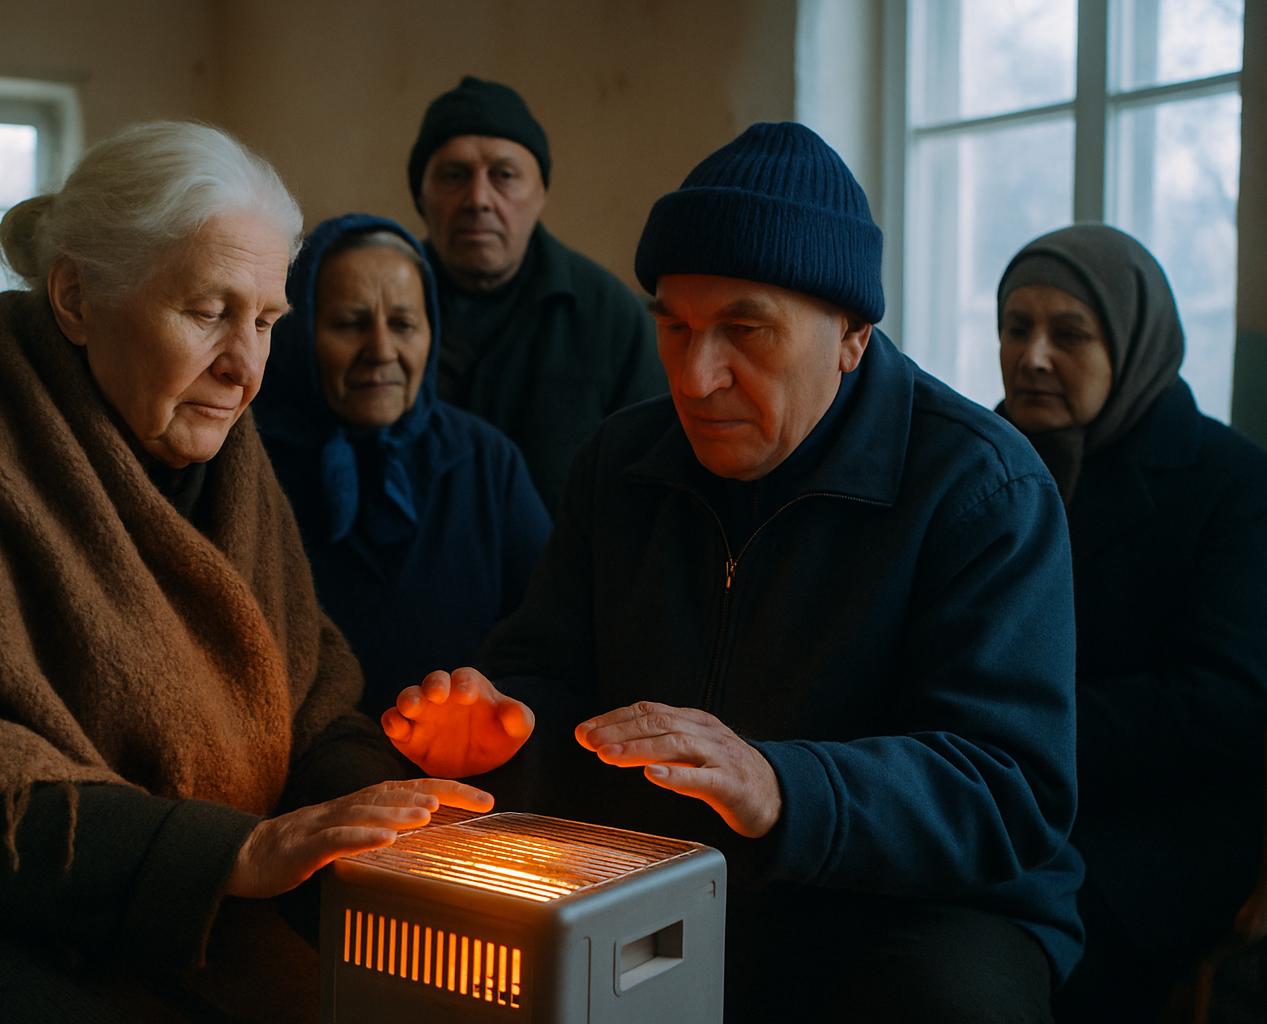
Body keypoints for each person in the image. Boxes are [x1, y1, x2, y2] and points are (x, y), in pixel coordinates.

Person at [0, 122, 491, 1024]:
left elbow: (309, 705)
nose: (246, 368)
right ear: (77, 297)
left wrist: (390, 795)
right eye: (209, 312)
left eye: (266, 322)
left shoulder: (231, 464)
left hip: (186, 908)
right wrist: (231, 858)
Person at [382, 122, 1085, 1022]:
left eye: (744, 330)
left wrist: (781, 787)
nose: (696, 376)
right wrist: (501, 729)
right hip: (663, 874)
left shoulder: (982, 488)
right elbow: (547, 672)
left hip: (915, 907)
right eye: (674, 328)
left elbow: (1006, 786)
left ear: (853, 337)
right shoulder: (621, 462)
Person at [994, 224, 1267, 1023]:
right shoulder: (977, 460)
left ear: (1136, 343)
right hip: (991, 791)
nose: (1033, 355)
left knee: (1002, 951)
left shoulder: (1233, 486)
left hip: (1156, 827)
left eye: (1069, 333)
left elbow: (1219, 701)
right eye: (1017, 328)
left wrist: (1025, 737)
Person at [254, 213, 551, 719]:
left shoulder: (484, 462)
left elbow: (550, 642)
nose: (382, 351)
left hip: (462, 772)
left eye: (404, 324)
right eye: (349, 324)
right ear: (298, 331)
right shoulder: (250, 458)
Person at [407, 75, 666, 513]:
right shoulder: (384, 308)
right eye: (454, 176)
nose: (478, 199)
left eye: (504, 175)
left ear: (541, 191)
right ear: (421, 195)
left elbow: (653, 479)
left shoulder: (607, 313)